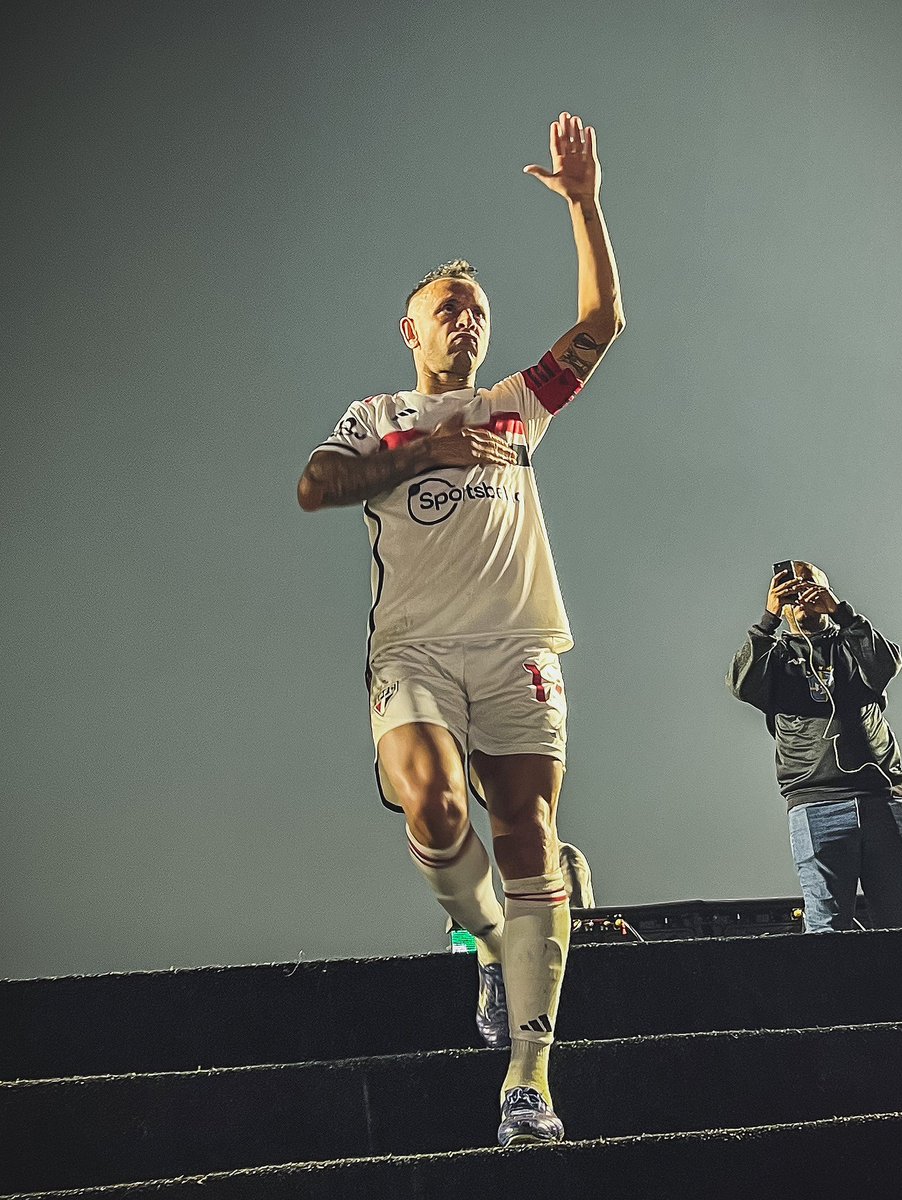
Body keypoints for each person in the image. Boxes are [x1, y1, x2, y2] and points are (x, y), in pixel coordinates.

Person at [297, 112, 624, 1145]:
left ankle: (528, 1079)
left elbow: (602, 323)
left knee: (530, 837)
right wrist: (420, 459)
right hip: (417, 654)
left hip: (518, 648)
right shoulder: (379, 415)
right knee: (434, 807)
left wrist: (583, 205)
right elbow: (315, 485)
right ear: (413, 329)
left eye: (477, 311)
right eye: (449, 309)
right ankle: (485, 939)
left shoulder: (517, 407)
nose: (467, 323)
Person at [726, 561, 902, 933]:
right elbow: (742, 685)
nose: (802, 595)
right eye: (792, 589)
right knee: (826, 931)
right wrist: (768, 620)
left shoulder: (852, 641)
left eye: (809, 585)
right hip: (816, 804)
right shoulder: (776, 656)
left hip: (883, 798)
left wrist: (841, 612)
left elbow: (885, 665)